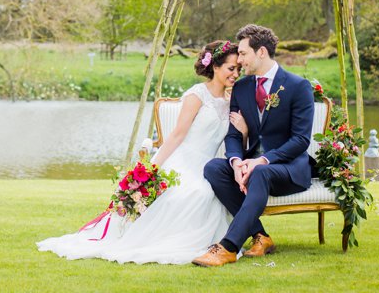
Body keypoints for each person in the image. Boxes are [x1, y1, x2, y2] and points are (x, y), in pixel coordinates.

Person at [37, 40, 248, 264]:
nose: (235, 74)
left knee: (211, 192)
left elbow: (235, 142)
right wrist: (153, 166)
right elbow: (176, 135)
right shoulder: (197, 95)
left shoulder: (231, 102)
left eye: (238, 69)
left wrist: (243, 130)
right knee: (197, 193)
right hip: (183, 162)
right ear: (215, 67)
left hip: (208, 166)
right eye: (231, 68)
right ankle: (164, 240)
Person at [193, 24, 316, 267]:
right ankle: (260, 236)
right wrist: (237, 162)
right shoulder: (241, 87)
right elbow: (232, 134)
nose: (239, 60)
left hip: (288, 169)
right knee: (214, 168)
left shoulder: (297, 86)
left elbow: (301, 140)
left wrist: (260, 161)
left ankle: (228, 247)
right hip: (251, 165)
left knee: (260, 171)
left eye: (243, 53)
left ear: (261, 52)